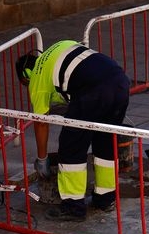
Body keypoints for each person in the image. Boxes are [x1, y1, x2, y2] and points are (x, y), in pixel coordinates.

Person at [16, 40, 130, 221]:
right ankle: (105, 199)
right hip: (119, 81)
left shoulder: (35, 77)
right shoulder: (60, 46)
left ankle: (73, 207)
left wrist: (42, 158)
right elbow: (72, 82)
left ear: (25, 76)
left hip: (93, 91)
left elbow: (41, 122)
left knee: (71, 146)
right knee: (105, 141)